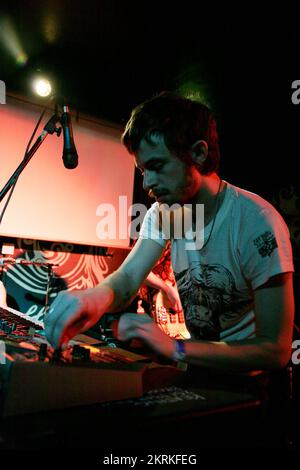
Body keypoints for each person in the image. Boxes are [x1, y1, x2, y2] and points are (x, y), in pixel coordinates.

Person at [45, 92, 294, 372]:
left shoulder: (255, 222)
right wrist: (92, 298)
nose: (148, 183)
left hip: (254, 389)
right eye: (142, 170)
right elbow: (127, 279)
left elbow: (276, 350)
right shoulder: (165, 214)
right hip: (199, 371)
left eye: (157, 166)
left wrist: (175, 348)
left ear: (198, 154)